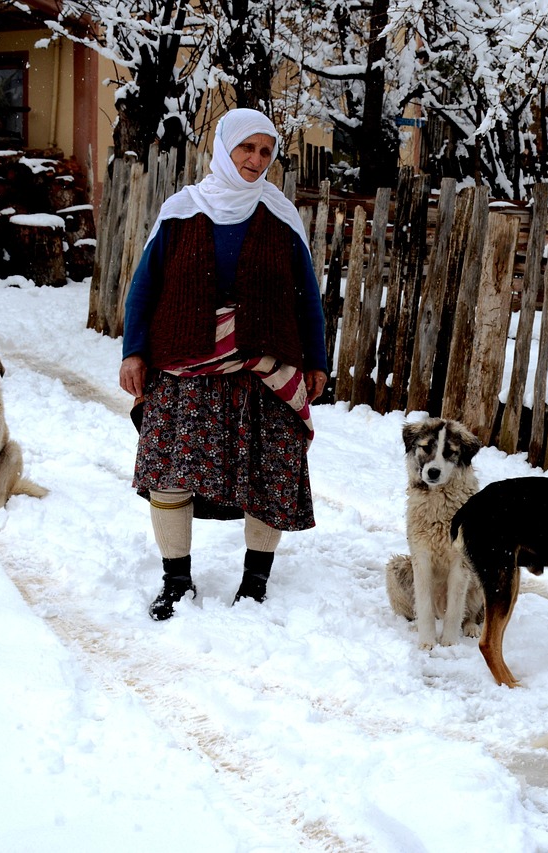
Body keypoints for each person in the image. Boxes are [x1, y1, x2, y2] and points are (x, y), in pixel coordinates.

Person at [119, 108, 328, 620]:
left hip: (266, 366)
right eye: (246, 148)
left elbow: (308, 298)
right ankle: (176, 581)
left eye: (265, 151)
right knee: (170, 469)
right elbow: (145, 289)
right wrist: (133, 350)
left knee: (272, 470)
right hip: (185, 362)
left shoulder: (281, 216)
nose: (256, 160)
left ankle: (255, 581)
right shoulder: (182, 209)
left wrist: (317, 361)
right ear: (224, 148)